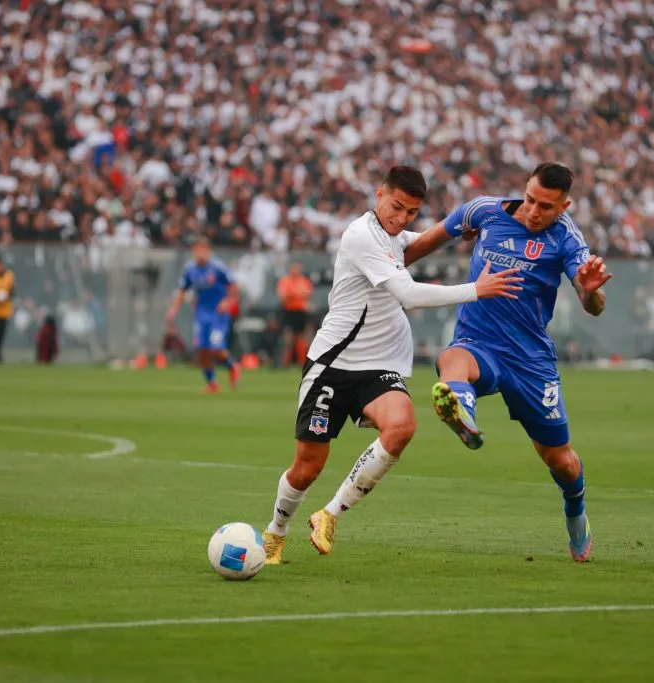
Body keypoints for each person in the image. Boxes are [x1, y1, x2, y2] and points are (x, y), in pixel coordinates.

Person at [260, 166, 522, 564]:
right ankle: (276, 531)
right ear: (379, 194)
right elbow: (409, 294)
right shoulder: (361, 235)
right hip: (333, 364)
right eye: (396, 207)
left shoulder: (393, 236)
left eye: (411, 212)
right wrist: (476, 290)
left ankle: (329, 514)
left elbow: (420, 243)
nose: (401, 218)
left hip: (378, 366)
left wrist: (460, 228)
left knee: (402, 427)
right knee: (307, 468)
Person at [402, 163, 611, 562]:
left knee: (560, 461)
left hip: (531, 361)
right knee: (450, 359)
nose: (534, 211)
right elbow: (421, 245)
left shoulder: (565, 237)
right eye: (531, 199)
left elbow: (591, 303)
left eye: (546, 206)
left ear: (563, 206)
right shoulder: (483, 211)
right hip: (479, 342)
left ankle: (576, 512)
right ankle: (461, 409)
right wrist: (381, 270)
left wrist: (593, 291)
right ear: (524, 190)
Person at [165, 238, 241, 393]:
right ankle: (212, 383)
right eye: (197, 249)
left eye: (203, 249)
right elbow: (182, 290)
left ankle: (232, 366)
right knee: (202, 349)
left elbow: (234, 287)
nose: (200, 253)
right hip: (201, 313)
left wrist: (227, 301)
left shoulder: (218, 268)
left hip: (218, 314)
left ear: (208, 251)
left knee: (215, 348)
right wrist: (173, 310)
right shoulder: (190, 270)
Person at [276, 263, 314, 367]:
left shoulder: (304, 281)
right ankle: (285, 363)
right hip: (288, 312)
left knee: (301, 338)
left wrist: (293, 295)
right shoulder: (285, 281)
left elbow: (307, 294)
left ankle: (301, 362)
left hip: (300, 313)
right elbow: (283, 296)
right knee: (287, 338)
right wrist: (297, 295)